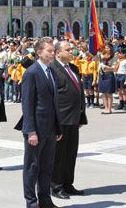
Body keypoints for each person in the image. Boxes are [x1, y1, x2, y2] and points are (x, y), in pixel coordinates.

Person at [19, 37, 62, 208]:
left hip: (50, 130)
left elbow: (54, 103)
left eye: (53, 51)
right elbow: (27, 105)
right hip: (36, 130)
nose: (52, 54)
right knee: (32, 166)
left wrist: (58, 128)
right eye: (49, 51)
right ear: (39, 52)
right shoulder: (31, 73)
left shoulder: (50, 71)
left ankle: (45, 199)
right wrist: (31, 131)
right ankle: (31, 201)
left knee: (46, 167)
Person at [49, 41, 87, 200]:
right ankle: (56, 186)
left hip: (73, 118)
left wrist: (81, 116)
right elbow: (51, 96)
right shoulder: (52, 69)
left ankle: (67, 183)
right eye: (68, 49)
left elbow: (79, 93)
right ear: (57, 53)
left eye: (72, 49)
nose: (72, 52)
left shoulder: (73, 68)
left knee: (71, 154)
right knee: (59, 154)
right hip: (61, 119)